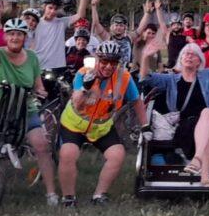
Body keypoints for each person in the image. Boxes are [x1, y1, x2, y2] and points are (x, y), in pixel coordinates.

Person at [57, 41, 148, 207]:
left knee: (117, 154)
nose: (107, 66)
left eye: (113, 63)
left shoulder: (124, 77)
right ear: (97, 59)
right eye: (104, 61)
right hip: (74, 123)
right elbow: (77, 103)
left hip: (101, 127)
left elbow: (137, 102)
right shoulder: (84, 72)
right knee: (68, 153)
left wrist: (145, 126)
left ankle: (99, 195)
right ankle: (68, 197)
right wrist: (86, 86)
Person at [0, 17, 60, 204]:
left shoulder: (32, 57)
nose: (15, 37)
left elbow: (38, 84)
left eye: (19, 34)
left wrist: (40, 92)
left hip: (25, 108)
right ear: (6, 36)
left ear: (24, 37)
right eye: (11, 34)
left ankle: (51, 193)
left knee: (42, 145)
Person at [145, 41, 209, 185]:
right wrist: (145, 58)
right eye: (186, 53)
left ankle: (197, 160)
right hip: (187, 128)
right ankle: (205, 177)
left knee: (207, 113)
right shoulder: (171, 80)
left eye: (193, 54)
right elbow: (146, 79)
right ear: (180, 59)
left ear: (199, 62)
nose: (189, 56)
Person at [23, 0, 90, 81]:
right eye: (50, 8)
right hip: (39, 67)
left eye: (55, 9)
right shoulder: (36, 23)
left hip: (58, 68)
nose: (52, 11)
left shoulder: (61, 23)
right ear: (44, 7)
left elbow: (80, 15)